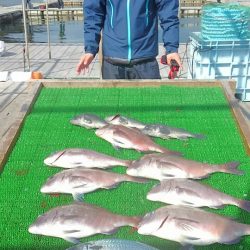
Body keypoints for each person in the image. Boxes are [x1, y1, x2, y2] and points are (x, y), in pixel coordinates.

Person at [77, 0, 181, 79]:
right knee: (111, 106)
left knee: (151, 105)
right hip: (112, 63)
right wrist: (90, 49)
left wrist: (171, 49)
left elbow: (169, 14)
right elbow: (93, 15)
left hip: (146, 61)